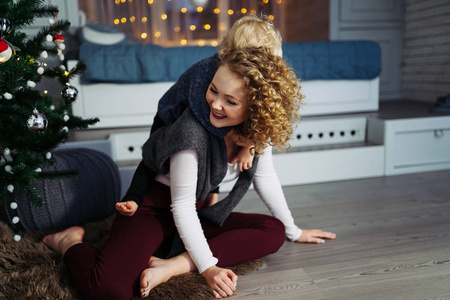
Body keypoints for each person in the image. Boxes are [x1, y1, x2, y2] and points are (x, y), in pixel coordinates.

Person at [43, 46, 336, 300]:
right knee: (107, 290)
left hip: (197, 212)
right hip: (155, 209)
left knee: (272, 231)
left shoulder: (256, 135)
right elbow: (180, 205)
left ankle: (174, 264)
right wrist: (208, 267)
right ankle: (69, 242)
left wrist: (293, 230)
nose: (215, 104)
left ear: (257, 111)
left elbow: (265, 178)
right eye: (213, 90)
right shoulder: (192, 132)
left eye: (230, 101)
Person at [123, 14, 282, 208]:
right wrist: (244, 141)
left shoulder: (247, 85)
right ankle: (133, 198)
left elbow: (261, 119)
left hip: (207, 120)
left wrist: (250, 146)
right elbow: (209, 121)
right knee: (151, 158)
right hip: (171, 113)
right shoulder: (209, 71)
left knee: (213, 156)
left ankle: (210, 194)